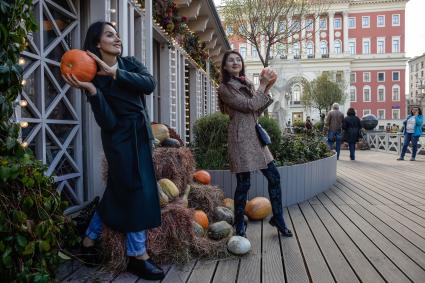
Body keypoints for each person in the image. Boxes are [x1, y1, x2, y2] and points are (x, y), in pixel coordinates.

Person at [62, 21, 164, 280]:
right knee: (135, 189)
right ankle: (138, 256)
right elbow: (108, 122)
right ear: (97, 43)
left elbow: (149, 84)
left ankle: (87, 242)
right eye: (110, 35)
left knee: (120, 190)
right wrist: (93, 91)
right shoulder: (91, 77)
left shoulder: (129, 64)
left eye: (117, 34)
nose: (117, 39)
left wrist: (115, 73)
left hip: (140, 134)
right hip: (119, 138)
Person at [217, 50, 292, 238]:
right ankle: (239, 225)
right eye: (230, 60)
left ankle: (278, 219)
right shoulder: (225, 88)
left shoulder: (247, 83)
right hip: (241, 138)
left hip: (255, 137)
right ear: (225, 66)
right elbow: (249, 106)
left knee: (274, 177)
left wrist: (266, 88)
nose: (235, 62)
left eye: (238, 59)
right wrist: (264, 84)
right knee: (244, 183)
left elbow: (254, 111)